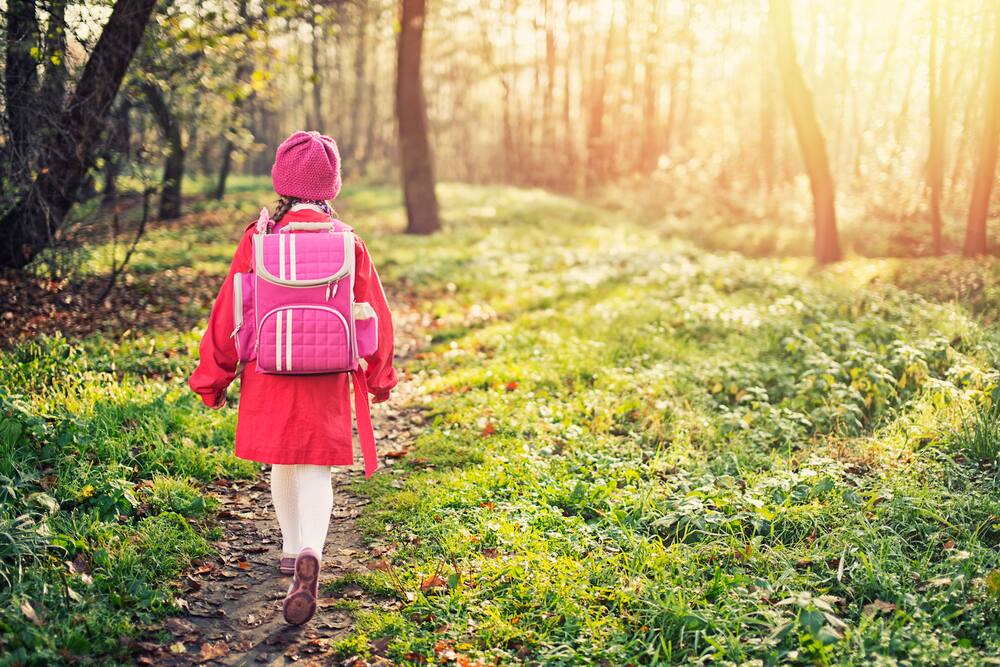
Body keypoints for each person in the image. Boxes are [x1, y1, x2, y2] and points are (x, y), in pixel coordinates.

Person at [188, 131, 397, 625]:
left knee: (282, 457)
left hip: (269, 369)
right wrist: (380, 374)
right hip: (327, 371)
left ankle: (288, 547)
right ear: (332, 188)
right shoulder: (348, 242)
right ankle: (311, 549)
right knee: (316, 468)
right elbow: (377, 314)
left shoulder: (259, 239)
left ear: (282, 182)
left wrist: (212, 378)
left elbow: (228, 312)